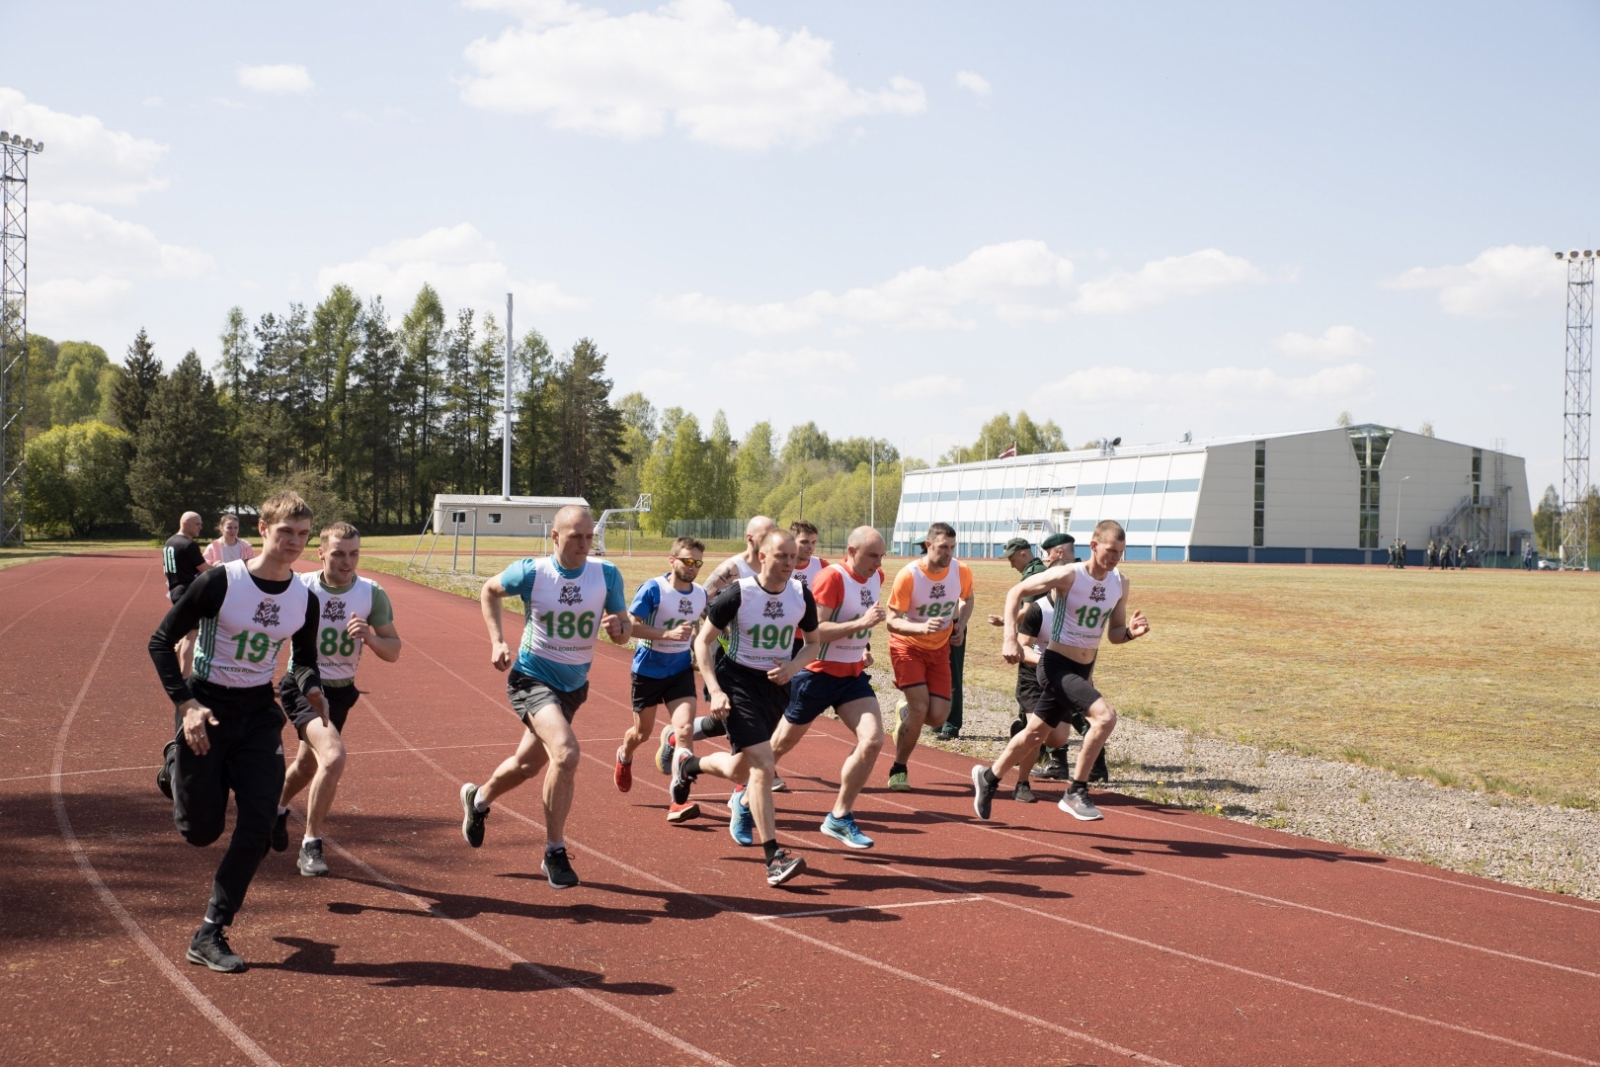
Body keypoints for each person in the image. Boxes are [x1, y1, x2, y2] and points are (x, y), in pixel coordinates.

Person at [148, 491, 327, 973]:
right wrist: (185, 704)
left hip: (256, 713)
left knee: (257, 824)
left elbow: (305, 660)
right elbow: (161, 641)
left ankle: (211, 931)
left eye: (302, 534)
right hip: (205, 707)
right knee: (201, 832)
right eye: (285, 531)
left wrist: (313, 688)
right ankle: (175, 762)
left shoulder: (304, 600)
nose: (293, 541)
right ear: (263, 530)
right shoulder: (219, 581)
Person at [459, 505, 631, 890]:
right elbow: (489, 590)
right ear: (554, 536)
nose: (585, 545)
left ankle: (479, 800)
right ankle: (554, 850)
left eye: (590, 537)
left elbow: (623, 631)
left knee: (526, 765)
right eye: (576, 537)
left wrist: (620, 628)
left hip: (573, 689)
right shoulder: (534, 572)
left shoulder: (606, 574)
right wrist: (498, 640)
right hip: (531, 679)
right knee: (567, 753)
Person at [972, 520, 1149, 823]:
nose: (1115, 558)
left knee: (1035, 734)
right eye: (1110, 550)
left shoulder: (1120, 582)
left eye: (1120, 552)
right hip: (1055, 664)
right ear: (1093, 546)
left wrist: (1131, 633)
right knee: (1105, 717)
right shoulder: (1069, 575)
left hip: (1083, 668)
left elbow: (1114, 633)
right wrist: (1009, 638)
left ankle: (989, 777)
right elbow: (1016, 592)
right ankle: (1076, 791)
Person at [671, 528, 815, 886]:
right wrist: (715, 690)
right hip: (737, 685)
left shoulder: (801, 595)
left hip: (775, 689)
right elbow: (703, 643)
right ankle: (774, 859)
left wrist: (793, 667)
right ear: (762, 556)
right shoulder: (739, 593)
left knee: (739, 771)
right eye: (781, 555)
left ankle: (689, 764)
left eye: (793, 556)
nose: (788, 562)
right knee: (764, 767)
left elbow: (813, 643)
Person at [274, 522, 402, 877]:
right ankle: (311, 844)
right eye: (338, 554)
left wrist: (371, 639)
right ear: (321, 553)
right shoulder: (301, 586)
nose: (347, 562)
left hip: (342, 691)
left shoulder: (371, 593)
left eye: (354, 553)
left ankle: (277, 809)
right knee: (333, 756)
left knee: (308, 766)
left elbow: (394, 651)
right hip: (303, 684)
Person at [769, 526, 889, 848]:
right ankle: (743, 789)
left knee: (874, 740)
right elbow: (816, 631)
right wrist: (860, 625)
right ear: (851, 551)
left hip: (852, 676)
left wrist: (865, 643)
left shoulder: (877, 577)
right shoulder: (832, 578)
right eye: (872, 556)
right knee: (777, 747)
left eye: (881, 555)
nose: (878, 563)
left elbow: (866, 619)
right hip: (817, 674)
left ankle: (839, 817)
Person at [688, 515, 789, 792]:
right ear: (750, 538)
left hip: (764, 661)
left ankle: (679, 735)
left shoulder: (778, 570)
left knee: (730, 720)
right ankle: (751, 776)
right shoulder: (733, 569)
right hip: (728, 655)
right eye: (765, 535)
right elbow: (701, 602)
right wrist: (706, 639)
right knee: (736, 714)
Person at [619, 537, 707, 824]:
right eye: (687, 561)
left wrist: (693, 648)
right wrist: (667, 635)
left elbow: (698, 626)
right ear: (672, 560)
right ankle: (624, 755)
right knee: (641, 734)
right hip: (648, 670)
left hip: (679, 671)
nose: (692, 567)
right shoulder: (653, 589)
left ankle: (678, 802)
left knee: (684, 731)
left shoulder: (700, 594)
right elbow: (629, 627)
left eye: (697, 563)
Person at [884, 523, 973, 792]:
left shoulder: (961, 571)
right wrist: (921, 628)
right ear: (928, 545)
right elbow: (891, 621)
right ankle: (899, 768)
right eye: (943, 547)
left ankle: (905, 710)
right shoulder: (909, 575)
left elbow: (967, 599)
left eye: (952, 548)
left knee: (937, 717)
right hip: (907, 646)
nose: (948, 553)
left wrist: (960, 625)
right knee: (922, 707)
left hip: (940, 649)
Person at [162, 511, 212, 678]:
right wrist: (223, 568)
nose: (200, 527)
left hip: (175, 590)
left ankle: (176, 668)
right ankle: (184, 677)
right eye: (197, 524)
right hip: (186, 591)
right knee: (192, 635)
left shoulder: (169, 542)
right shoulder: (188, 544)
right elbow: (205, 570)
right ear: (185, 524)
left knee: (185, 631)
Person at [790, 519, 828, 589]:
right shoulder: (779, 567)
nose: (810, 547)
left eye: (813, 542)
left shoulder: (823, 566)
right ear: (792, 542)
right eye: (804, 542)